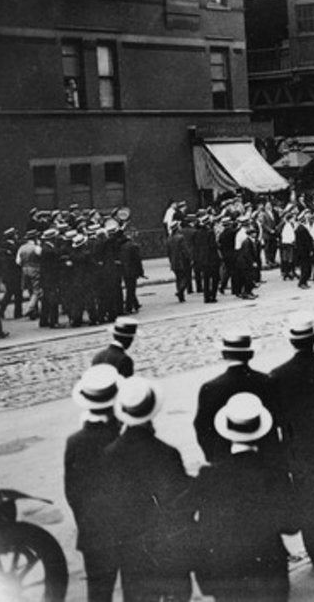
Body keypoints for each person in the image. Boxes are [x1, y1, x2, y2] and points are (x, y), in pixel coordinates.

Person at [188, 393, 302, 602]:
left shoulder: (210, 475)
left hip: (227, 570)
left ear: (227, 431)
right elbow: (292, 524)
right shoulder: (274, 472)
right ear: (260, 430)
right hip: (268, 568)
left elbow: (201, 526)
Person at [98, 377, 192, 602]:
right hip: (167, 549)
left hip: (131, 551)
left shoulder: (109, 455)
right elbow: (180, 505)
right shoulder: (166, 453)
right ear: (152, 413)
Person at [267, 313, 314, 571]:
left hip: (298, 450)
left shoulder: (277, 375)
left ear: (291, 340)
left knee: (308, 502)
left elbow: (275, 419)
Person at [65, 365, 122, 602]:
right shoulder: (120, 437)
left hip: (93, 533)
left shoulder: (75, 441)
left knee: (98, 593)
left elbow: (72, 492)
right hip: (127, 531)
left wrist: (87, 523)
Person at [194, 330, 276, 464]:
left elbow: (202, 428)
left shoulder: (210, 388)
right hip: (266, 460)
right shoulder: (267, 381)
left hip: (225, 462)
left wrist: (214, 458)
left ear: (224, 354)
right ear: (250, 353)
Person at [119, 230, 144, 314]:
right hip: (132, 270)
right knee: (131, 289)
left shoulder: (122, 247)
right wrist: (141, 271)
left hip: (125, 270)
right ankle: (128, 307)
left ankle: (135, 304)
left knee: (129, 287)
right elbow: (137, 260)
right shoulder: (134, 246)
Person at [166, 220, 191, 303]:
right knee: (186, 278)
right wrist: (189, 257)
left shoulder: (169, 239)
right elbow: (185, 249)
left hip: (174, 261)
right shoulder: (181, 237)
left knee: (178, 278)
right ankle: (180, 291)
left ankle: (181, 296)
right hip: (182, 261)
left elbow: (168, 252)